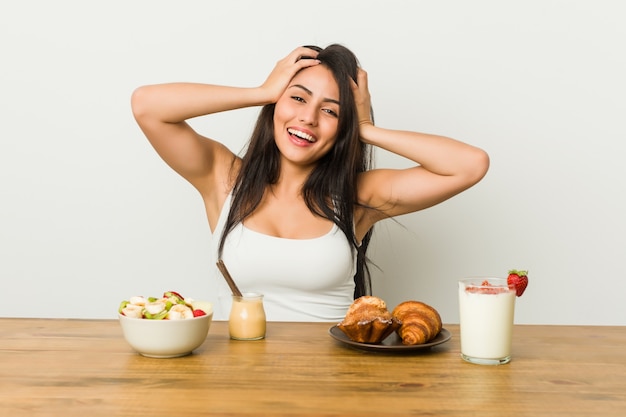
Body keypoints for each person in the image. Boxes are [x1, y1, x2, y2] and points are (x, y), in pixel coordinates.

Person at [131, 44, 489, 322]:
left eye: (331, 110)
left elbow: (470, 165)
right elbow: (147, 105)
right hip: (238, 382)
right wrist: (261, 91)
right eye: (298, 97)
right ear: (276, 104)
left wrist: (367, 130)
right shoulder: (224, 179)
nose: (308, 117)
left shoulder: (358, 197)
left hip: (333, 385)